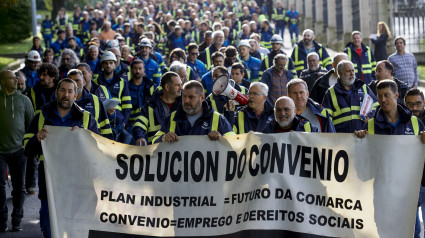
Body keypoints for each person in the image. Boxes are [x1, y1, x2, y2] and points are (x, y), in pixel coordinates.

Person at [24, 78, 99, 238]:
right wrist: (36, 139)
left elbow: (98, 148)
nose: (66, 95)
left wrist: (84, 136)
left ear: (76, 95)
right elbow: (27, 149)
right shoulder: (41, 116)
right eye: (63, 90)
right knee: (49, 227)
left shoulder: (86, 119)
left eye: (70, 91)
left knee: (75, 229)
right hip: (50, 182)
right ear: (56, 93)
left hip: (77, 185)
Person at [0, 70, 34, 232]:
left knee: (19, 187)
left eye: (16, 78)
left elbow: (31, 124)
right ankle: (2, 218)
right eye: (12, 79)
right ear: (3, 81)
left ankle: (17, 219)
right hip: (0, 152)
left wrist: (25, 143)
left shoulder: (24, 100)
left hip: (19, 151)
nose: (16, 81)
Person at [152, 80, 235, 143]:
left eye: (191, 97)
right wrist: (163, 138)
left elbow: (234, 141)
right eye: (184, 96)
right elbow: (154, 140)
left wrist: (221, 138)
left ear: (202, 98)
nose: (186, 100)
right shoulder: (172, 117)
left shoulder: (217, 119)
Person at [322, 60, 378, 133]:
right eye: (348, 71)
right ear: (339, 72)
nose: (352, 74)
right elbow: (326, 120)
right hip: (342, 139)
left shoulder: (363, 87)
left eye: (353, 71)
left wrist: (370, 116)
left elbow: (376, 106)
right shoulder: (330, 93)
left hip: (364, 136)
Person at [133, 72, 182, 145]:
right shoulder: (150, 106)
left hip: (179, 152)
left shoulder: (184, 105)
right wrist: (140, 137)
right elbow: (139, 124)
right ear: (167, 87)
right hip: (156, 151)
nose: (181, 88)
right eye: (177, 85)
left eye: (181, 84)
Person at [94, 51, 132, 143]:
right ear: (102, 65)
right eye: (106, 63)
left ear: (115, 65)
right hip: (101, 120)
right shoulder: (95, 82)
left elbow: (127, 105)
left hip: (118, 122)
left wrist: (124, 122)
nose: (108, 65)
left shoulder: (122, 82)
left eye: (111, 63)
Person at [67, 69, 113, 140]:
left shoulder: (95, 100)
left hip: (92, 144)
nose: (74, 84)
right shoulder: (61, 101)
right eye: (71, 81)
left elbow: (105, 127)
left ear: (84, 82)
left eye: (77, 80)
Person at [405, 88, 425, 238]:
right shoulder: (400, 121)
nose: (415, 108)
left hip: (424, 182)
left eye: (418, 104)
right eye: (410, 105)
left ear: (424, 103)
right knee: (413, 226)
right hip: (409, 182)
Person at [128, 59, 155, 124]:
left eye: (140, 68)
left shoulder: (150, 86)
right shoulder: (126, 87)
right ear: (131, 70)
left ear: (144, 70)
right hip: (131, 122)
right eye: (135, 68)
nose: (137, 71)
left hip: (147, 121)